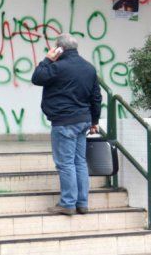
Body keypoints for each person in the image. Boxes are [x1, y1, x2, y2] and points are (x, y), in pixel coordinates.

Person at [31, 33, 102, 215]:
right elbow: (96, 97)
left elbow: (37, 78)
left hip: (64, 122)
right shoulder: (89, 68)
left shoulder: (57, 67)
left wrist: (47, 59)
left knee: (66, 164)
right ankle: (82, 203)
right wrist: (94, 121)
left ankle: (68, 203)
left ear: (59, 49)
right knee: (80, 162)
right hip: (83, 121)